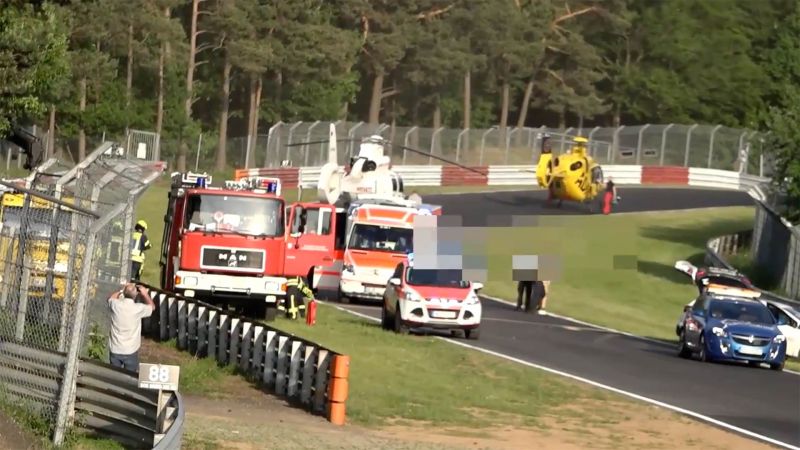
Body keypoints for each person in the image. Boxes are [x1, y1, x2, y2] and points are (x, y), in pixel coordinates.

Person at [108, 283, 155, 373]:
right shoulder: (138, 309)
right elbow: (152, 307)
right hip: (131, 350)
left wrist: (122, 290)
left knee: (114, 376)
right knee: (130, 376)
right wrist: (145, 294)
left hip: (115, 348)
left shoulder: (116, 305)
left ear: (124, 294)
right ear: (136, 294)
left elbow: (111, 298)